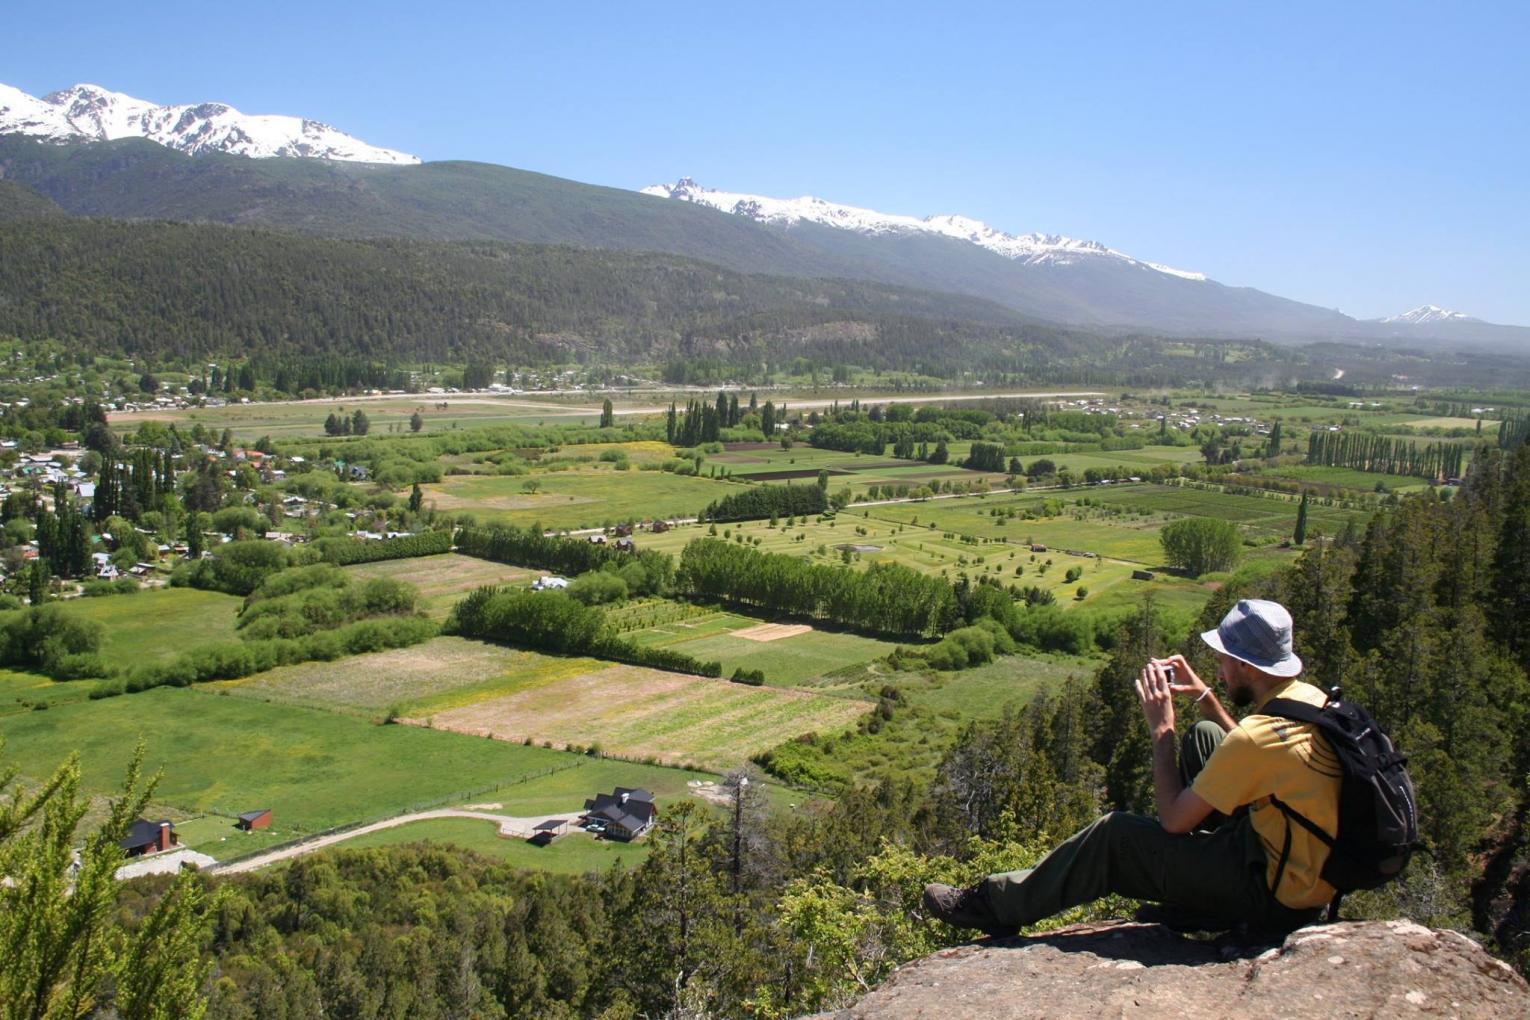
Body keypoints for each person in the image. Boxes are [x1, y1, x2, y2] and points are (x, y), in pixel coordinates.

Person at [923, 598, 1342, 936]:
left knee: (1115, 836)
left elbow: (1175, 820)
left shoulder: (1254, 739)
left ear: (1247, 667)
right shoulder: (1310, 699)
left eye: (1225, 660)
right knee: (1207, 736)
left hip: (1270, 894)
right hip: (1302, 875)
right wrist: (1204, 697)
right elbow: (1252, 750)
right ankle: (1202, 898)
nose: (1219, 667)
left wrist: (1162, 729)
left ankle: (993, 905)